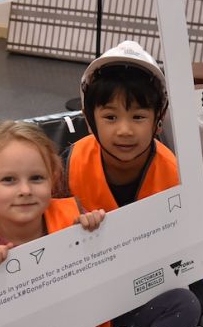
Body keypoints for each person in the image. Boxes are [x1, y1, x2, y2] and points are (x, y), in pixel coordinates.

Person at [0, 120, 105, 271]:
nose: (25, 190)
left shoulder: (73, 216)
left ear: (53, 178)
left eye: (36, 178)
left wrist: (97, 231)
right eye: (8, 179)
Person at [65, 40, 179, 212]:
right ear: (89, 120)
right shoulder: (67, 167)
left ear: (159, 119)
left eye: (138, 117)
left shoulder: (174, 176)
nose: (125, 131)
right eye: (111, 117)